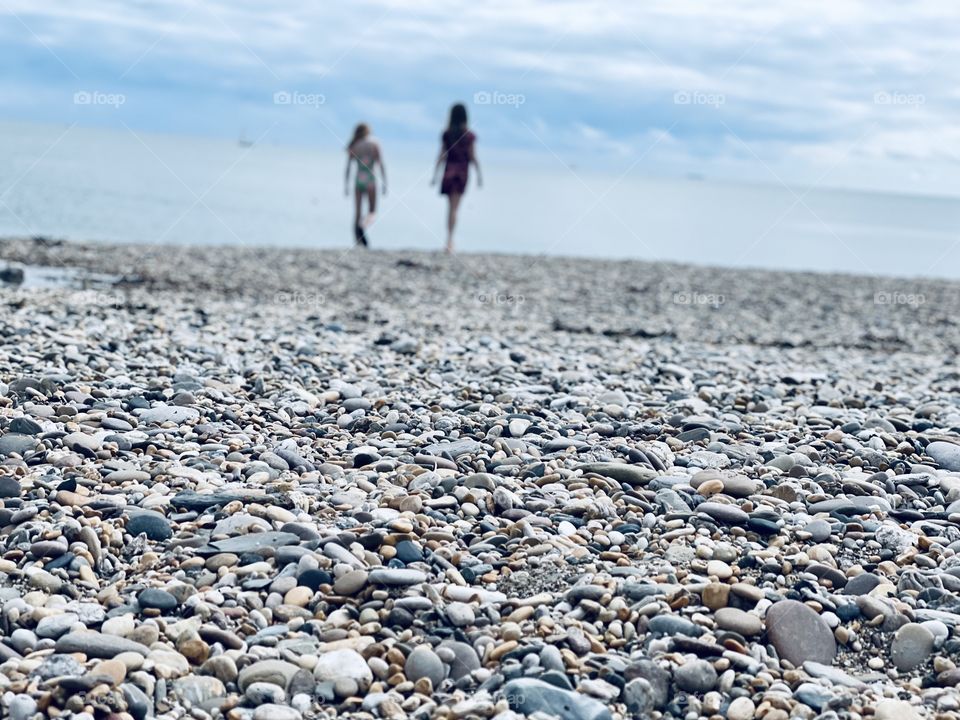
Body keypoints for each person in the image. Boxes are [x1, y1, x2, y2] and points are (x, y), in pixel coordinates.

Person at [432, 103, 481, 253]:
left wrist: (435, 175)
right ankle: (450, 240)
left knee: (450, 208)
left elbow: (441, 155)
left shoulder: (447, 134)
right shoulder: (469, 136)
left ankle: (449, 240)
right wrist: (479, 175)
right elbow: (472, 157)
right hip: (461, 173)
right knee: (454, 209)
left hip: (448, 172)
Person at [345, 123, 386, 246]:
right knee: (372, 211)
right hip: (370, 179)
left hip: (358, 178)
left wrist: (346, 185)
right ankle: (362, 227)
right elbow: (381, 164)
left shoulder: (355, 145)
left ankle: (358, 237)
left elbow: (348, 167)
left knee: (357, 212)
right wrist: (384, 182)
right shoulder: (374, 144)